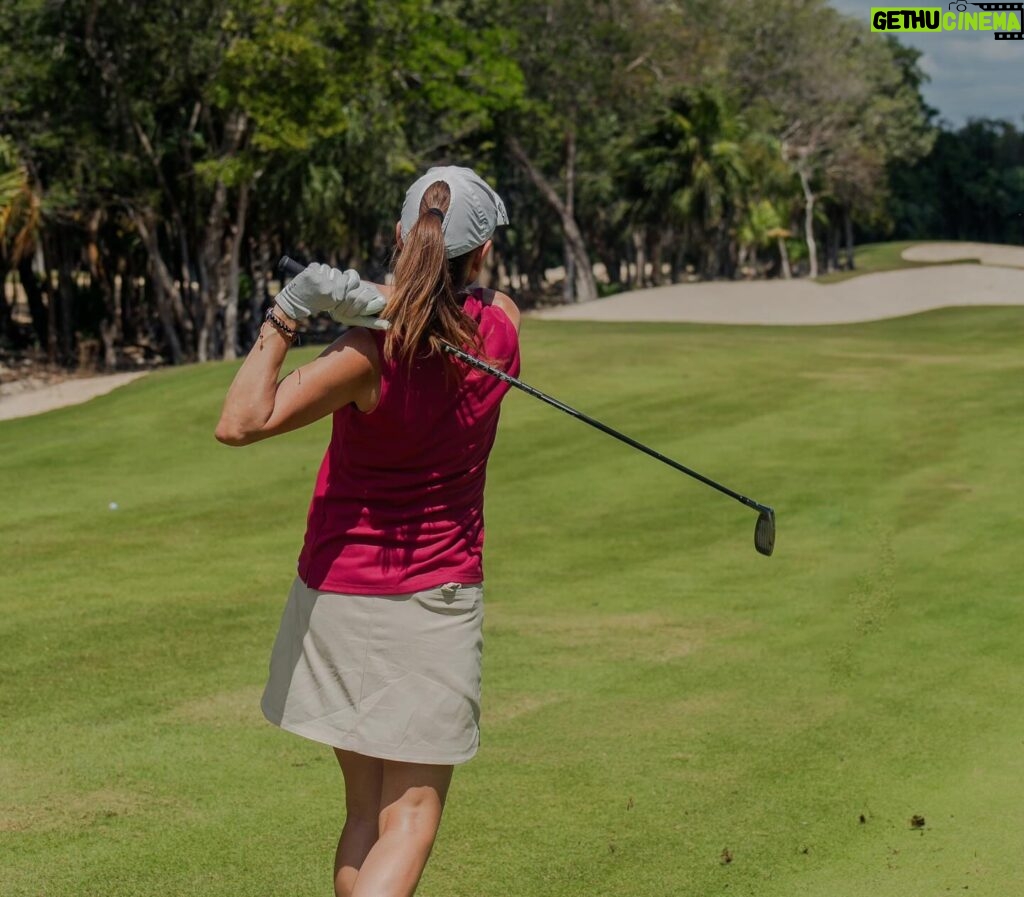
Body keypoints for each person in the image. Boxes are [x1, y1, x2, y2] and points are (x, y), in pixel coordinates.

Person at [215, 166, 520, 897]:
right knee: (408, 815)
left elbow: (240, 420)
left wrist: (289, 313)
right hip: (433, 604)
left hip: (337, 600)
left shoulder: (363, 356)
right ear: (479, 256)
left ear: (398, 238)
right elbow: (453, 303)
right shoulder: (501, 329)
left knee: (362, 813)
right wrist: (379, 302)